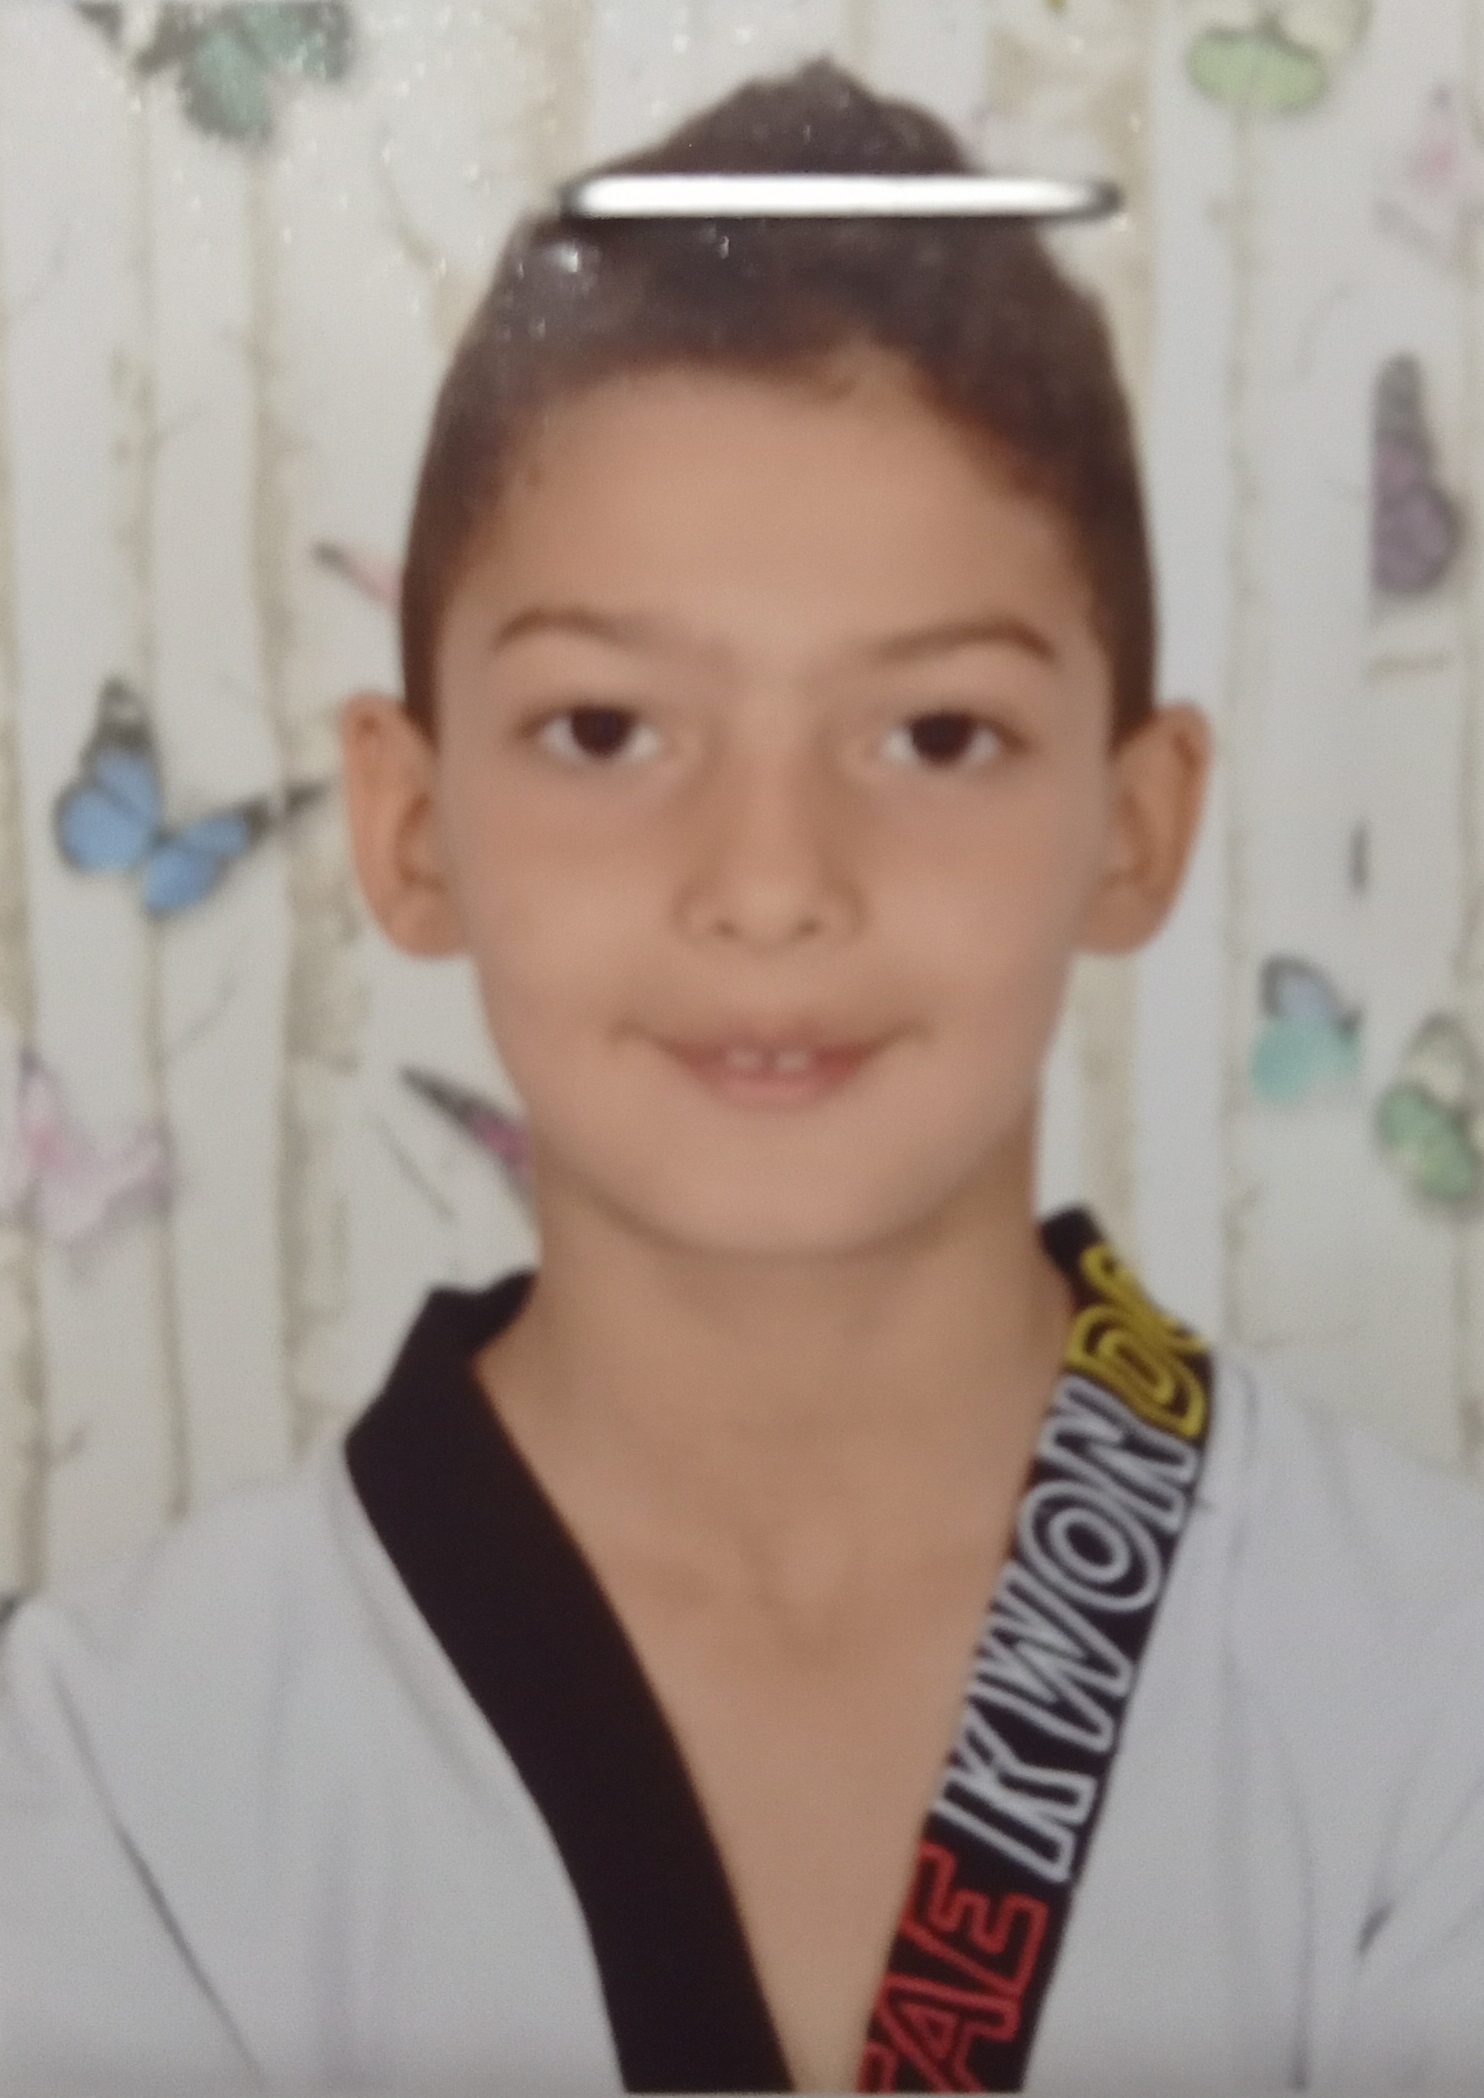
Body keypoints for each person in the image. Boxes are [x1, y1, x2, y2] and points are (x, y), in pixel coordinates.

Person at [4, 57, 1484, 2098]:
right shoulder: (110, 1767)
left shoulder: (1431, 1686)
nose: (773, 882)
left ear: (1134, 823)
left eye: (937, 734)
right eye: (606, 729)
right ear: (411, 823)